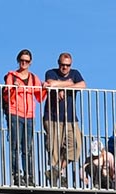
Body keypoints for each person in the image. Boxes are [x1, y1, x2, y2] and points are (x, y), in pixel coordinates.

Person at [40, 52, 87, 185]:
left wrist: (61, 86)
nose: (65, 68)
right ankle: (57, 177)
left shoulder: (75, 73)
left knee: (76, 146)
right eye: (62, 65)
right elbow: (50, 83)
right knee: (54, 147)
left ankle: (57, 170)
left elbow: (83, 85)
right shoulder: (51, 72)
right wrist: (69, 84)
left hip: (71, 118)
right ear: (58, 63)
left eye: (68, 65)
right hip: (53, 117)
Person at [1, 50, 46, 186]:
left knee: (28, 147)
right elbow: (6, 95)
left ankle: (29, 176)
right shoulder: (12, 76)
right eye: (22, 60)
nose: (24, 63)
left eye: (26, 61)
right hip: (15, 112)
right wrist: (13, 88)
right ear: (18, 61)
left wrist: (44, 87)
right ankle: (16, 174)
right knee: (15, 146)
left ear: (30, 62)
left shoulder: (33, 78)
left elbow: (39, 96)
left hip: (29, 115)